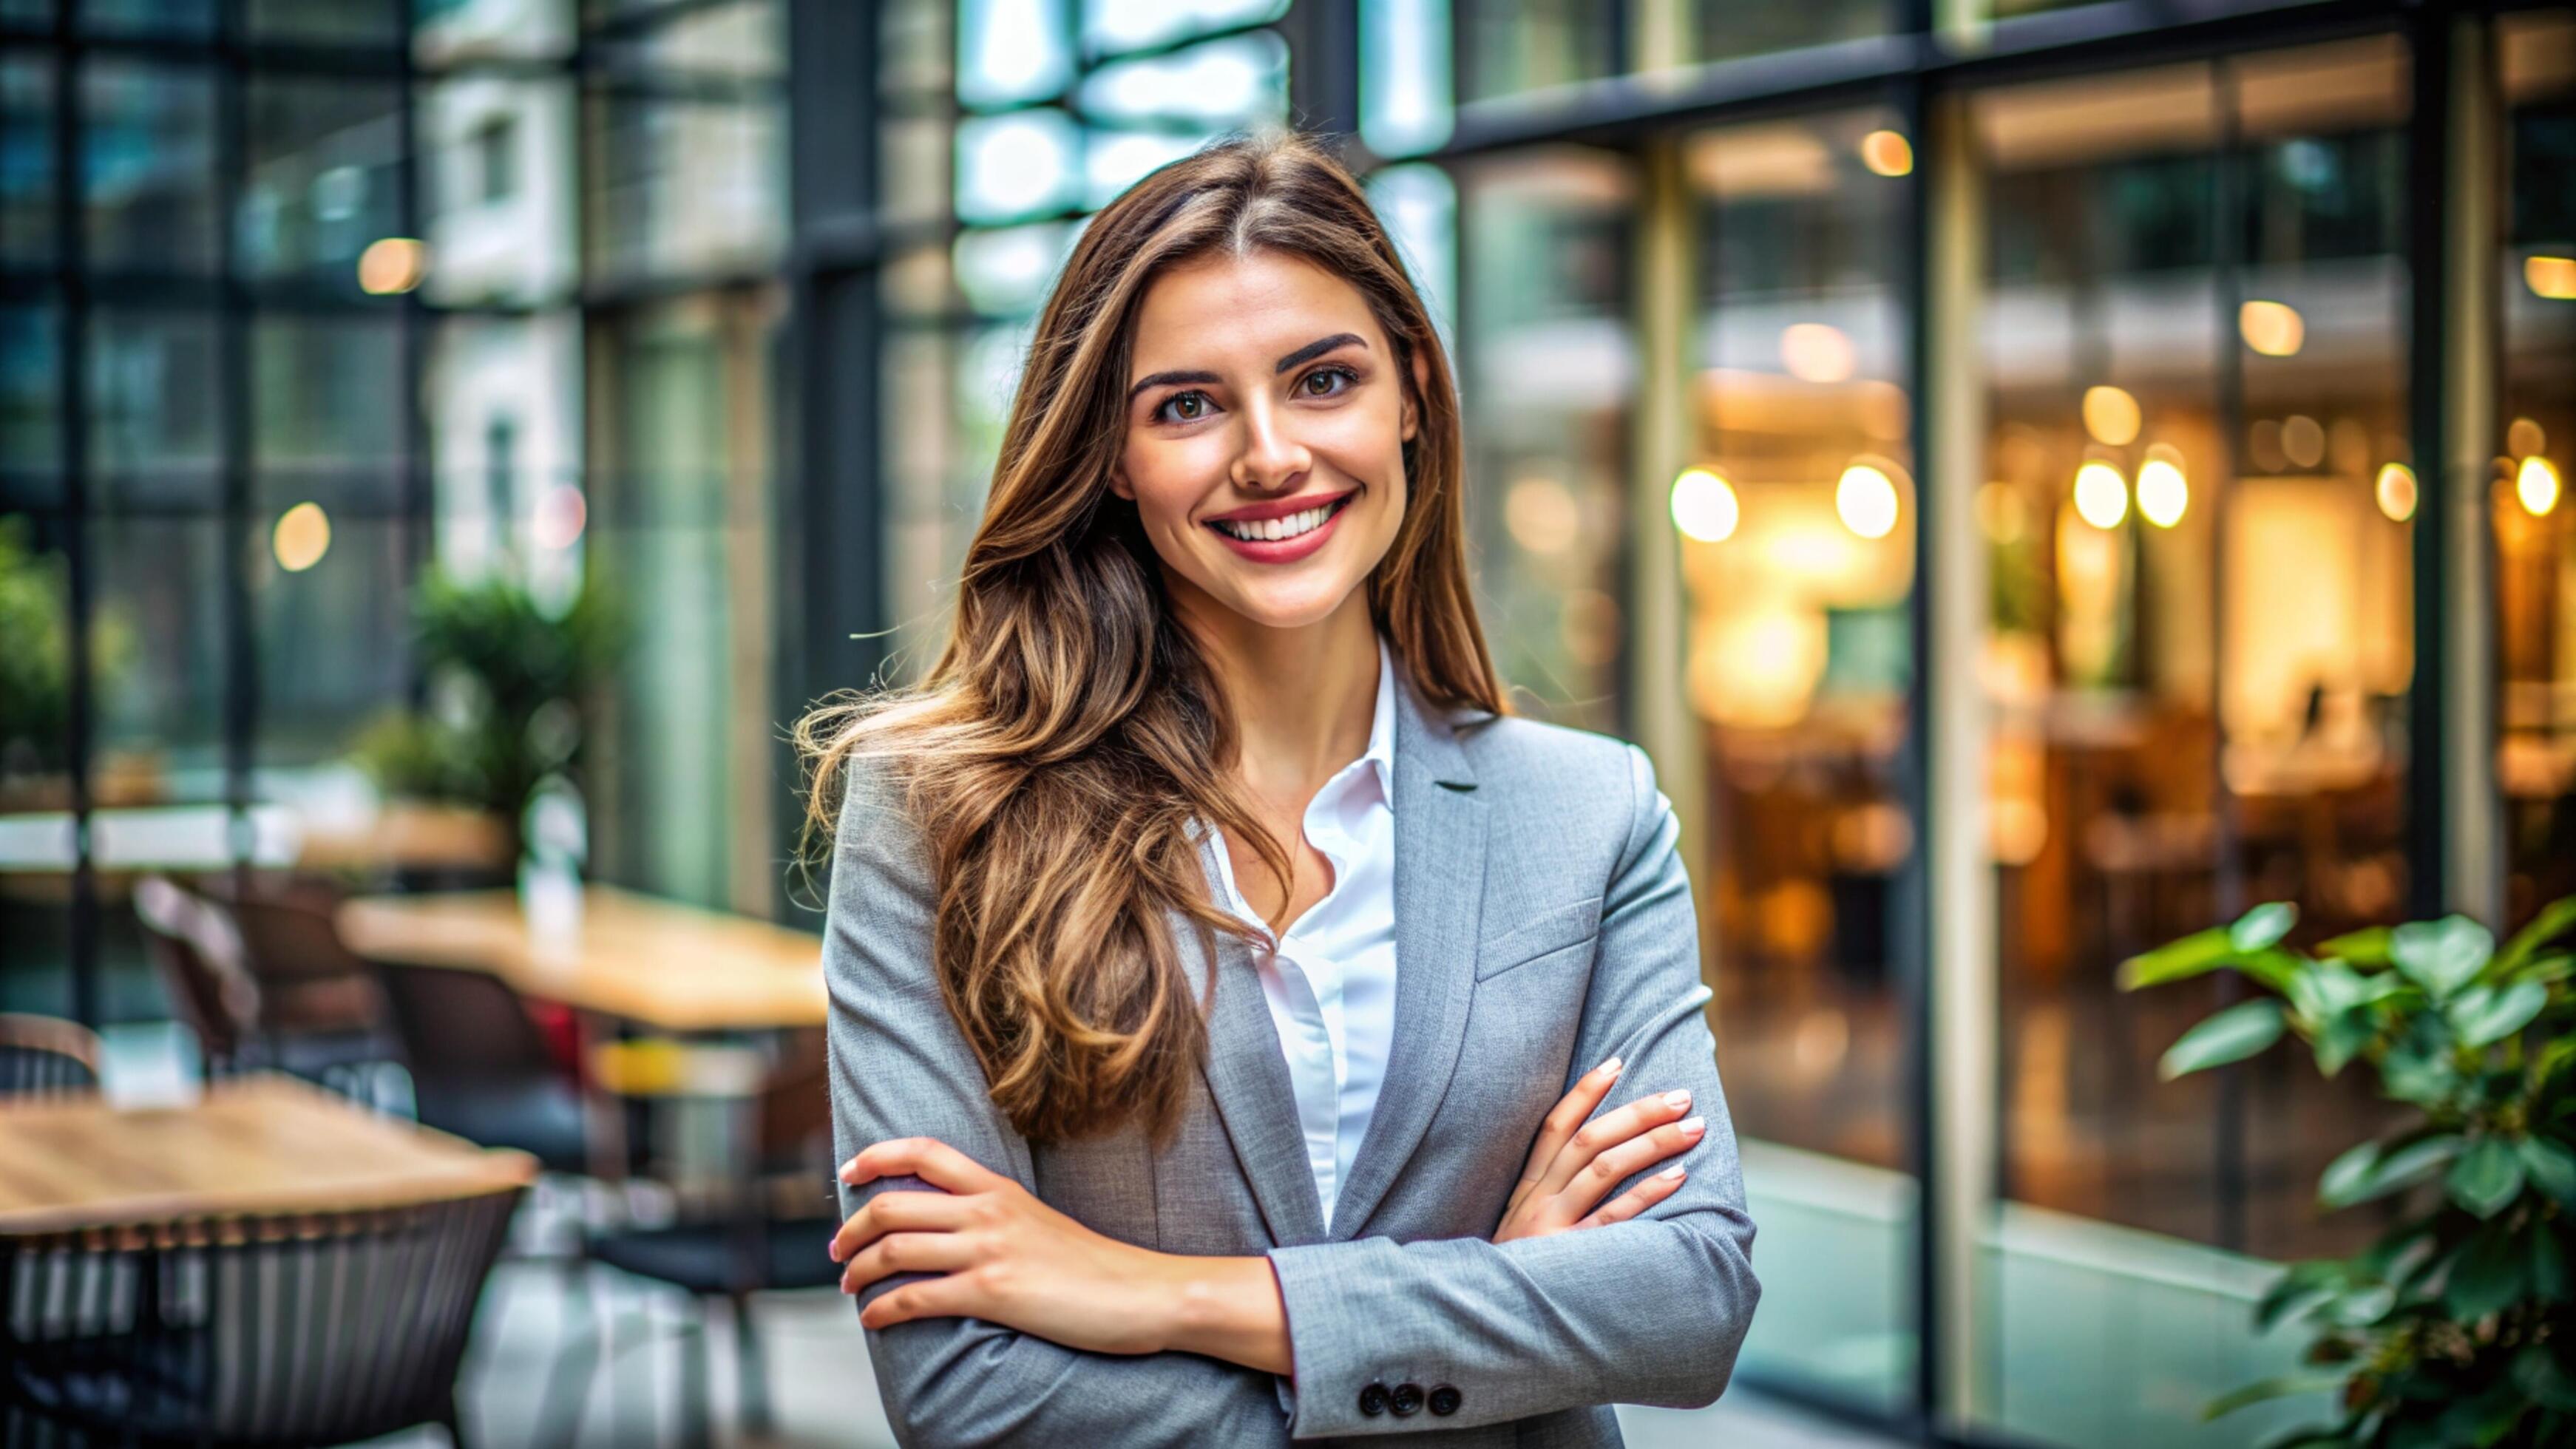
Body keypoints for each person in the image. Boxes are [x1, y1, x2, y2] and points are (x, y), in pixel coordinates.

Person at [796, 129, 1758, 1447]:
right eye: (1186, 404)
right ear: (1114, 457)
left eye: (1323, 380)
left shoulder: (1593, 818)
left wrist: (1152, 1295)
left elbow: (1687, 1301)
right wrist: (1498, 1322)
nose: (1269, 455)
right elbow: (968, 1401)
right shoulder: (940, 814)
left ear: (1411, 392)